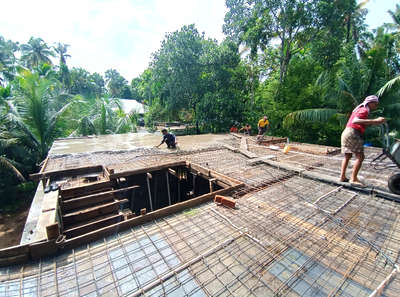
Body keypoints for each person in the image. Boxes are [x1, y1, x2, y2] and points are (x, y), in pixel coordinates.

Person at [340, 95, 385, 186]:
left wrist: (373, 123)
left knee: (347, 156)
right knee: (360, 157)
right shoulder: (364, 110)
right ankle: (353, 179)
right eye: (375, 104)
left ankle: (342, 177)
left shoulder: (359, 109)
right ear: (371, 103)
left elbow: (359, 122)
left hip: (347, 132)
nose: (375, 107)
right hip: (353, 133)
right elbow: (356, 121)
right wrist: (375, 121)